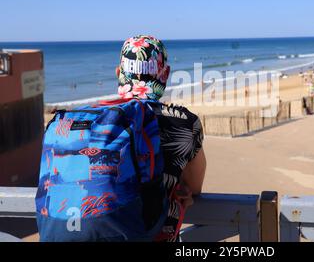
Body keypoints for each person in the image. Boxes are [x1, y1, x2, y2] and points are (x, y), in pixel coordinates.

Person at [36, 35, 206, 242]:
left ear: (118, 73)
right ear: (166, 74)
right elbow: (194, 188)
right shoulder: (184, 123)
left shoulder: (85, 120)